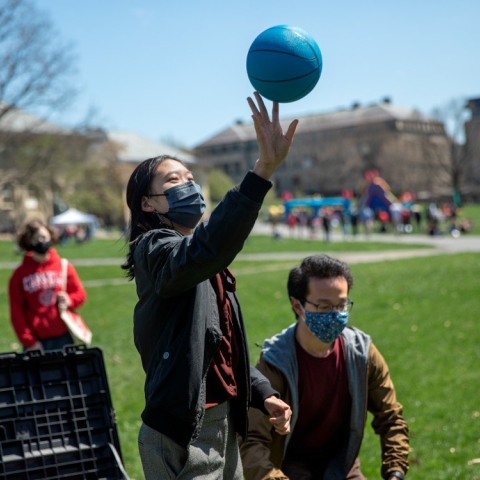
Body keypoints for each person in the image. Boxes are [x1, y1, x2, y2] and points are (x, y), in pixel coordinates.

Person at [122, 92, 297, 480]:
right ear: (148, 204)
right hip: (186, 431)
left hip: (225, 423)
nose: (189, 185)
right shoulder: (156, 251)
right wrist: (261, 171)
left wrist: (263, 391)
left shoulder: (207, 262)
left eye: (190, 177)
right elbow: (206, 248)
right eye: (173, 180)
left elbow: (220, 343)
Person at [240, 254, 409, 480]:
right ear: (297, 305)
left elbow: (391, 417)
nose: (335, 314)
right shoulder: (275, 362)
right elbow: (251, 440)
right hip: (288, 466)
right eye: (324, 306)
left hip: (342, 464)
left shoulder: (362, 352)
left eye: (341, 305)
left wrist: (395, 471)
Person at [8, 220, 87, 352]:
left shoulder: (64, 266)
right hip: (36, 342)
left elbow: (80, 294)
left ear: (51, 236)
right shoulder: (19, 274)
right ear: (28, 242)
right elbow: (17, 313)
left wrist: (69, 300)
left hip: (64, 338)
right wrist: (30, 342)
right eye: (36, 238)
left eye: (44, 237)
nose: (41, 241)